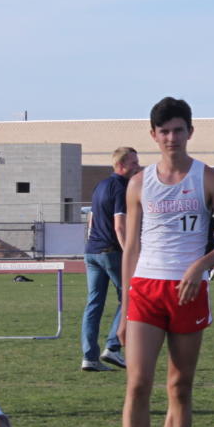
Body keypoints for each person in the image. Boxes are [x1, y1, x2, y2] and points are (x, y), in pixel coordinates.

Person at [112, 97, 214, 427]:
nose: (171, 137)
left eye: (178, 129)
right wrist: (124, 307)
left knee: (179, 388)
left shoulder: (210, 179)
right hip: (145, 291)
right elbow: (130, 248)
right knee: (137, 385)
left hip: (188, 292)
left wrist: (199, 267)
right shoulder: (138, 183)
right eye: (164, 131)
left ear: (190, 132)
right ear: (153, 135)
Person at [81, 147, 139, 372]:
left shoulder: (100, 186)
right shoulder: (122, 187)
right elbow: (120, 225)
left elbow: (91, 221)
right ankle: (113, 347)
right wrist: (129, 254)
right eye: (134, 162)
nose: (138, 166)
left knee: (93, 303)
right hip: (111, 251)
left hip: (92, 250)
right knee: (130, 296)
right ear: (122, 165)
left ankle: (89, 357)